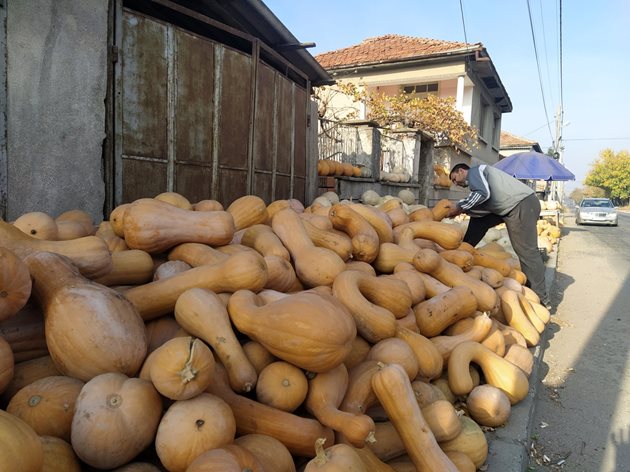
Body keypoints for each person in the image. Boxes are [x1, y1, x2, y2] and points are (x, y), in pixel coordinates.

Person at [446, 163, 550, 307]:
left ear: (462, 171)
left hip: (521, 204)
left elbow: (483, 194)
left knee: (526, 251)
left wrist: (459, 206)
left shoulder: (476, 171)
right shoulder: (478, 182)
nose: (455, 183)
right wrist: (463, 211)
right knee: (478, 221)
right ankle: (463, 251)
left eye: (454, 178)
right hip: (508, 207)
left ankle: (540, 299)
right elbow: (482, 207)